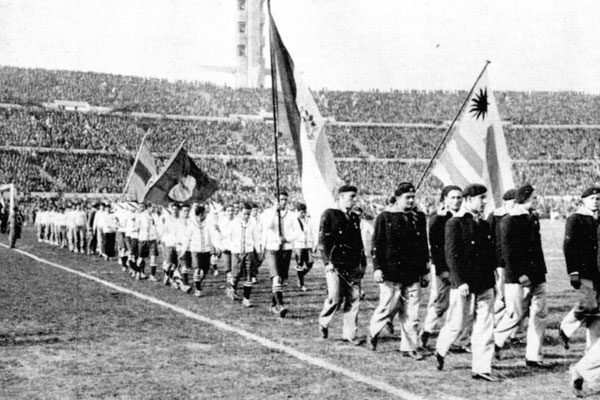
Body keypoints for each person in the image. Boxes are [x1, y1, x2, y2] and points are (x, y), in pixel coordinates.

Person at [434, 184, 497, 382]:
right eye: (481, 198)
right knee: (457, 323)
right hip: (464, 284)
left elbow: (489, 256)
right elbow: (452, 255)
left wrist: (493, 282)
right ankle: (440, 350)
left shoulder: (484, 225)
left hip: (484, 283)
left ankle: (481, 368)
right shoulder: (455, 223)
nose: (485, 202)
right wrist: (460, 281)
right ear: (469, 200)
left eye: (485, 198)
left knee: (485, 327)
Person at [368, 182, 429, 359]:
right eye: (407, 197)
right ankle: (373, 333)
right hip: (390, 271)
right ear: (397, 198)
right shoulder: (384, 217)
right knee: (387, 307)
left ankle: (409, 347)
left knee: (412, 313)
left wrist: (425, 270)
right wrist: (377, 268)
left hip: (413, 272)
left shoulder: (418, 217)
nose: (411, 201)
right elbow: (376, 245)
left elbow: (423, 245)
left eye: (413, 197)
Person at [493, 184, 551, 368]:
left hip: (537, 276)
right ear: (525, 199)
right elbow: (509, 252)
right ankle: (493, 342)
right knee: (515, 315)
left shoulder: (532, 218)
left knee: (540, 314)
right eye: (534, 197)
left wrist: (540, 273)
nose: (536, 200)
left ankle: (534, 356)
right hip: (519, 278)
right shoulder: (509, 221)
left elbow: (536, 249)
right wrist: (521, 275)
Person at [318, 185, 367, 345]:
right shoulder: (329, 215)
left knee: (354, 298)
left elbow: (358, 242)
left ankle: (350, 334)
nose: (354, 200)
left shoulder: (354, 218)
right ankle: (324, 322)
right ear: (341, 197)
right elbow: (323, 241)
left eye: (355, 197)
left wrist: (362, 262)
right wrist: (328, 262)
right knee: (334, 297)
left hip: (352, 264)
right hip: (335, 264)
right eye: (351, 196)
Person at [421, 185, 463, 349]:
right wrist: (442, 270)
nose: (456, 201)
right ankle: (426, 332)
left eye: (459, 197)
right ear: (444, 199)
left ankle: (458, 338)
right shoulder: (438, 219)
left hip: (460, 267)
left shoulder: (462, 217)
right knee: (440, 303)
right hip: (444, 267)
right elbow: (436, 247)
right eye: (452, 197)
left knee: (459, 304)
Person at [560, 186, 600, 350]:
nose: (596, 202)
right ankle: (565, 327)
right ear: (584, 200)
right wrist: (573, 271)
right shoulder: (575, 218)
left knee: (597, 313)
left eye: (598, 199)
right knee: (588, 304)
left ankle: (592, 351)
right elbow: (569, 246)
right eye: (593, 199)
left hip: (598, 271)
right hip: (583, 270)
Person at [261, 190, 298, 318]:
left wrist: (287, 239)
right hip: (272, 248)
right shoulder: (267, 213)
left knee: (281, 279)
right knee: (276, 277)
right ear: (276, 200)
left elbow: (298, 233)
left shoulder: (292, 215)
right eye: (281, 199)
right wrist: (273, 211)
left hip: (286, 249)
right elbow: (266, 226)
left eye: (285, 200)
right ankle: (280, 305)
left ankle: (273, 305)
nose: (283, 202)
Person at [487, 189, 516, 326]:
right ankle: (494, 323)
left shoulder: (519, 215)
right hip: (499, 260)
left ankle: (511, 328)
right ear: (506, 201)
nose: (515, 204)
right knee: (501, 294)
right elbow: (487, 237)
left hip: (515, 260)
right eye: (513, 202)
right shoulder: (495, 215)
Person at [228, 202, 260, 307]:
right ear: (240, 212)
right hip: (237, 252)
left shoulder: (253, 223)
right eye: (244, 214)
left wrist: (258, 251)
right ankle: (232, 288)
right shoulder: (233, 223)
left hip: (249, 252)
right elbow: (229, 237)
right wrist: (233, 249)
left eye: (248, 214)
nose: (246, 216)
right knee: (236, 275)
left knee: (249, 276)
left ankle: (246, 298)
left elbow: (256, 238)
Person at [184, 204, 217, 297]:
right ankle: (198, 290)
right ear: (201, 214)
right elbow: (187, 238)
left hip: (206, 250)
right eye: (205, 213)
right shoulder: (191, 224)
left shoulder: (208, 223)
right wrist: (183, 250)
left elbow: (212, 236)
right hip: (195, 250)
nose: (206, 215)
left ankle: (196, 283)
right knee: (197, 269)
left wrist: (215, 248)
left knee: (205, 270)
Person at [293, 203, 314, 292]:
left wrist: (313, 244)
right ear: (297, 212)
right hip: (298, 245)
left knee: (310, 263)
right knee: (300, 265)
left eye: (304, 212)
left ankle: (299, 276)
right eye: (301, 212)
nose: (303, 214)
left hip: (308, 245)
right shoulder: (294, 220)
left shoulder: (308, 220)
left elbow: (311, 232)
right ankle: (302, 284)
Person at [136, 202, 160, 281]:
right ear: (148, 207)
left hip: (152, 239)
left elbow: (157, 226)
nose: (154, 209)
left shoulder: (155, 215)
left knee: (153, 257)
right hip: (143, 239)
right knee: (141, 257)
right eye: (153, 207)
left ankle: (152, 275)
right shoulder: (142, 215)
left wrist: (158, 236)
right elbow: (137, 225)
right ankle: (139, 273)